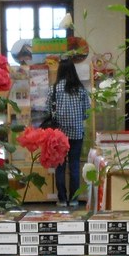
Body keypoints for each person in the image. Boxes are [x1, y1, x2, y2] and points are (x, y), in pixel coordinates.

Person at [48, 58, 91, 205]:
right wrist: (77, 118)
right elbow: (87, 113)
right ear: (73, 70)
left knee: (60, 166)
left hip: (58, 135)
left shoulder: (54, 89)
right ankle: (73, 199)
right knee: (74, 166)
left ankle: (62, 199)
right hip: (77, 133)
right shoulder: (81, 90)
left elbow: (48, 111)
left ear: (60, 71)